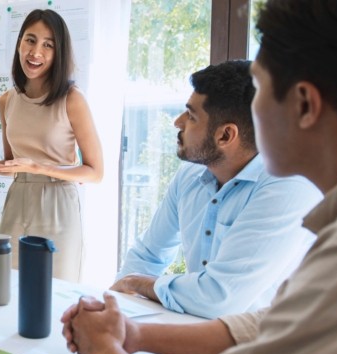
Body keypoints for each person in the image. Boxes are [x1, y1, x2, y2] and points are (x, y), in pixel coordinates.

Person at [61, 0, 337, 354]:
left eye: (261, 90)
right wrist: (132, 333)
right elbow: (270, 324)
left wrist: (104, 352)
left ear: (304, 105)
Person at [112, 60, 321, 319]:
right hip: (197, 332)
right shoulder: (190, 176)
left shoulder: (289, 188)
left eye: (191, 116)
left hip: (268, 348)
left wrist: (137, 283)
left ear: (225, 136)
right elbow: (148, 254)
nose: (178, 122)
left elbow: (219, 298)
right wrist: (116, 305)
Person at [0, 9, 103, 282]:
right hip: (17, 203)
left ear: (59, 53)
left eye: (48, 45)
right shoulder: (7, 100)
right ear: (19, 43)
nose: (36, 52)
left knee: (56, 294)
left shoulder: (72, 99)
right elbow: (12, 165)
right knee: (10, 289)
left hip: (58, 205)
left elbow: (95, 171)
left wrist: (39, 167)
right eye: (30, 40)